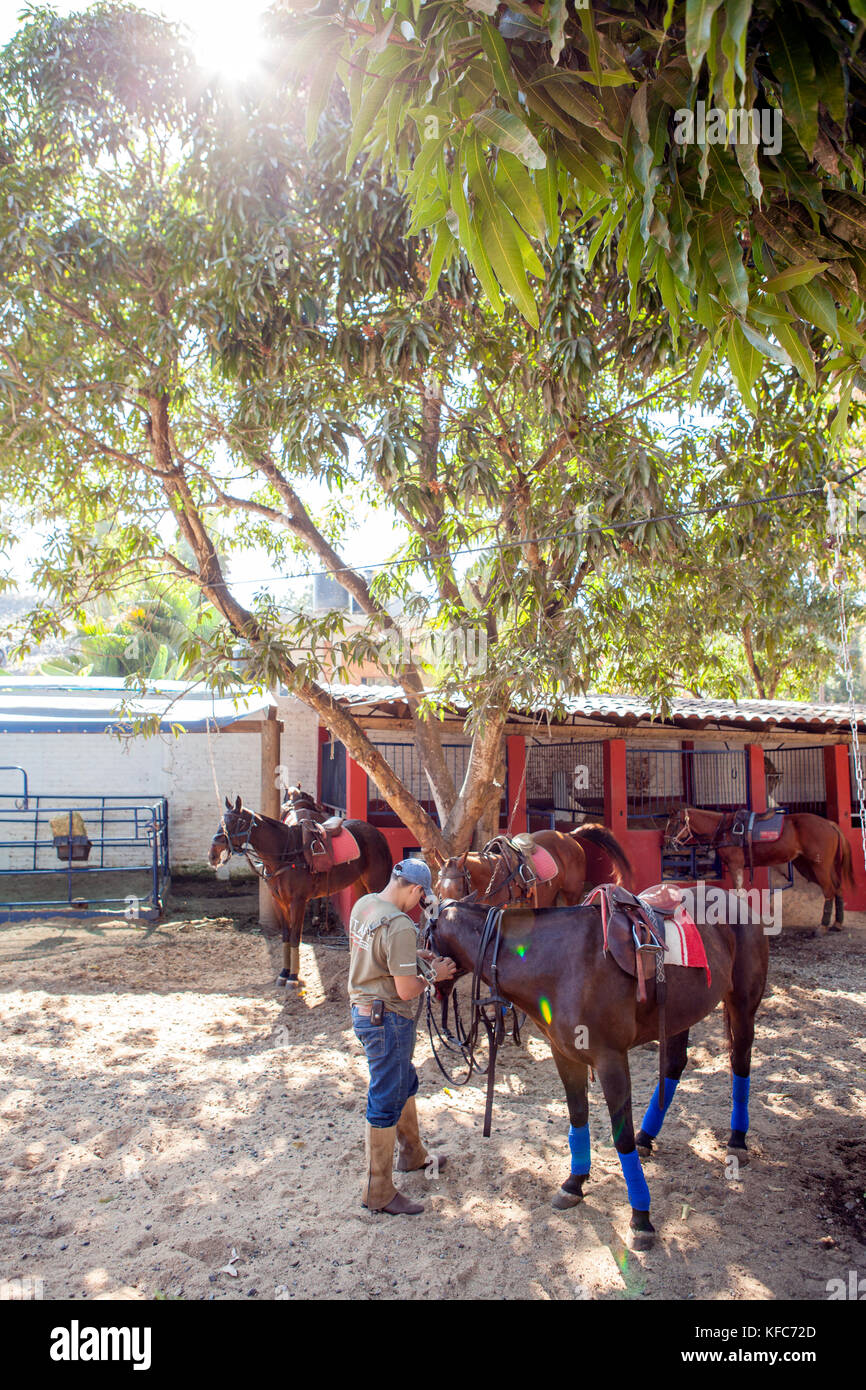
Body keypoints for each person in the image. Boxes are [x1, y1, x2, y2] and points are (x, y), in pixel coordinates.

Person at [348, 857, 456, 1216]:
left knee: (403, 1080)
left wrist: (411, 956)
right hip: (388, 1018)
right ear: (415, 890)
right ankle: (377, 1190)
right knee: (386, 1095)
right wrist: (434, 975)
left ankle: (413, 1154)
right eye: (419, 897)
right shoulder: (400, 925)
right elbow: (408, 990)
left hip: (363, 1010)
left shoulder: (365, 904)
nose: (418, 905)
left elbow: (376, 955)